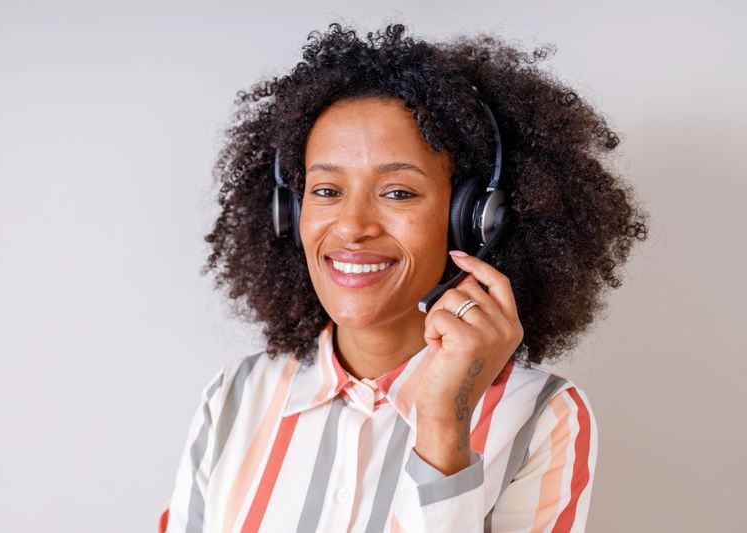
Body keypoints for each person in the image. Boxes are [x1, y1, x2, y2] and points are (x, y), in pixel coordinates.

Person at [159, 22, 649, 533]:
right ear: (292, 212)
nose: (352, 227)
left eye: (398, 193)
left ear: (474, 219)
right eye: (326, 191)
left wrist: (444, 427)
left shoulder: (540, 416)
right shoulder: (235, 396)